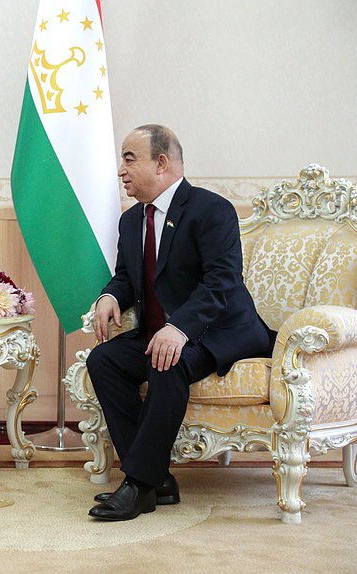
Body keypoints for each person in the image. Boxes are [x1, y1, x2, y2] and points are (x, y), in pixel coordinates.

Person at [86, 124, 275, 521]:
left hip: (219, 330)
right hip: (162, 332)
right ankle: (158, 480)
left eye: (129, 158)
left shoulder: (212, 210)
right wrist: (109, 296)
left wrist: (181, 327)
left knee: (166, 360)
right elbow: (126, 277)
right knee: (104, 361)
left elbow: (221, 281)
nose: (120, 169)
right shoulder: (132, 221)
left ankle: (138, 485)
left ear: (162, 163)